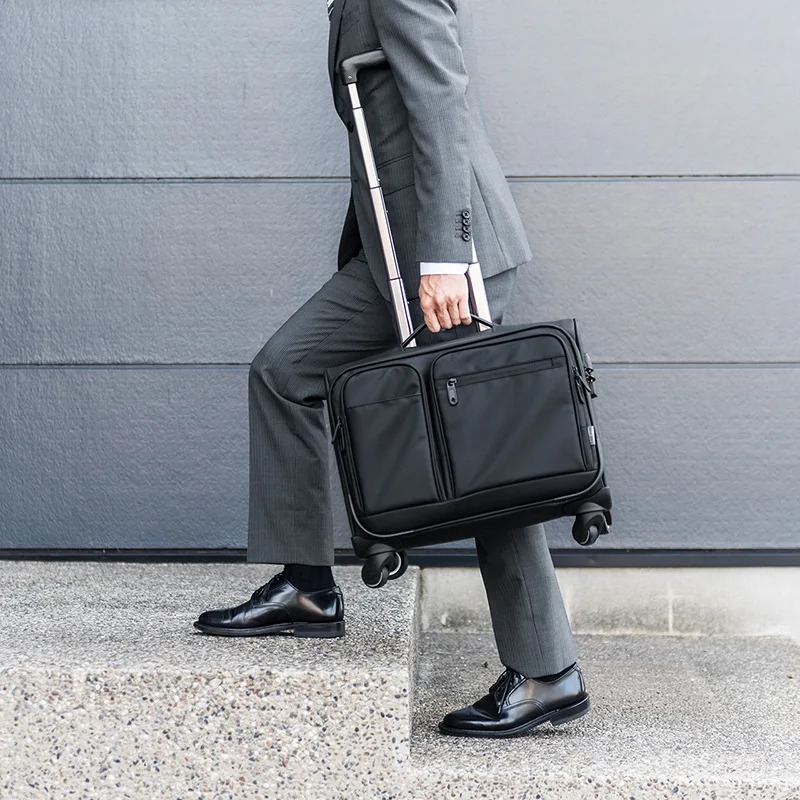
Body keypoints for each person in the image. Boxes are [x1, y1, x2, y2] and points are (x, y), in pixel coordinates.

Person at [194, 0, 590, 738]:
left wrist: (443, 255)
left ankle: (548, 671)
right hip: (391, 258)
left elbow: (440, 98)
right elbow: (376, 128)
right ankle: (307, 586)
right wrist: (368, 256)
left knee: (482, 455)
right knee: (285, 371)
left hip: (447, 259)